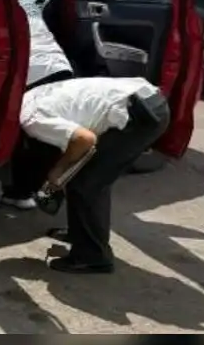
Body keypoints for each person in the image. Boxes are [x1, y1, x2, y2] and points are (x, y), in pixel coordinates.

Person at [20, 76, 171, 274]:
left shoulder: (32, 119)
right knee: (82, 176)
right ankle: (80, 235)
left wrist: (57, 172)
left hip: (140, 115)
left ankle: (92, 256)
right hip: (146, 98)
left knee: (88, 184)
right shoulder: (29, 97)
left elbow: (85, 139)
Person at [1, 1, 76, 211]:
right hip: (61, 69)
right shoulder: (27, 4)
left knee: (27, 135)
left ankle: (24, 193)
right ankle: (47, 192)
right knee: (51, 138)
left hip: (32, 76)